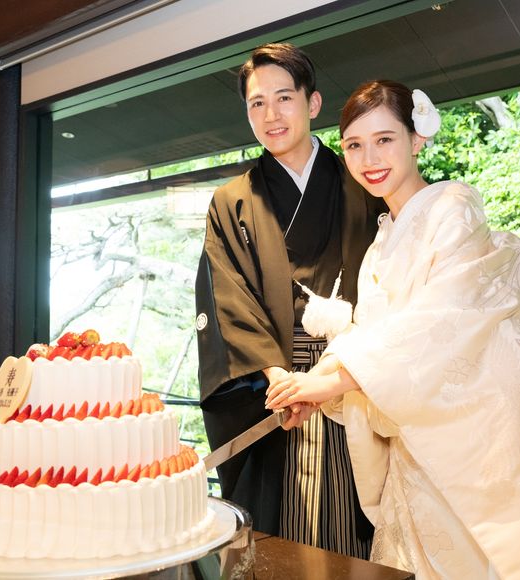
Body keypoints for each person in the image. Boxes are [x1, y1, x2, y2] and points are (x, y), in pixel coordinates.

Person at [266, 80, 520, 578]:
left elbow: (443, 323)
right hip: (415, 449)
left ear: (417, 139)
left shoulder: (453, 207)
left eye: (384, 139)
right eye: (354, 145)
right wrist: (315, 385)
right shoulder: (380, 244)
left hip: (473, 441)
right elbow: (373, 338)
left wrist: (329, 381)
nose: (369, 158)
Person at [195, 43, 384, 557]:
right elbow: (227, 296)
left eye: (284, 98)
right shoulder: (231, 201)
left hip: (352, 376)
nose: (271, 115)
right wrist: (277, 375)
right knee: (283, 535)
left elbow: (390, 283)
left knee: (354, 525)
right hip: (273, 385)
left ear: (312, 102)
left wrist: (329, 377)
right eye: (257, 103)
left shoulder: (363, 182)